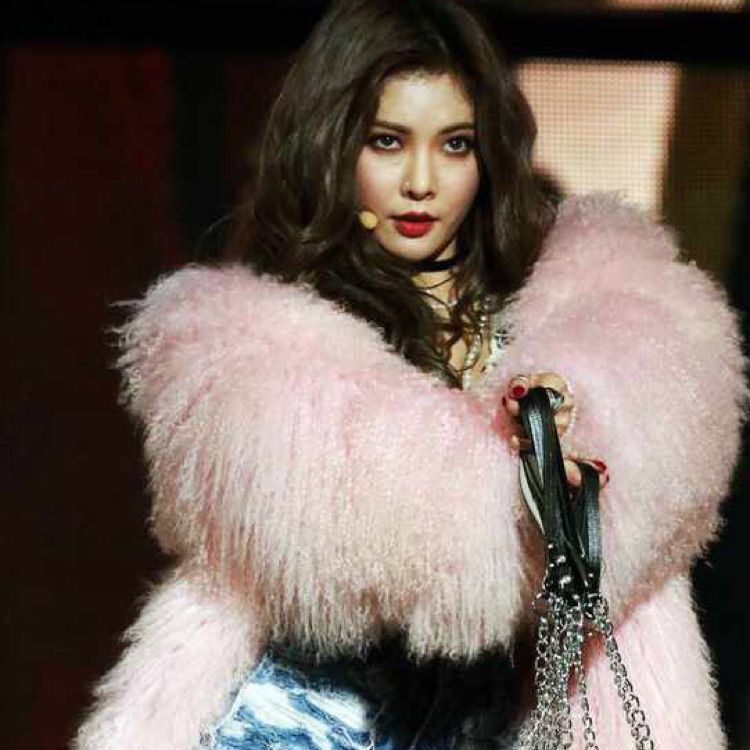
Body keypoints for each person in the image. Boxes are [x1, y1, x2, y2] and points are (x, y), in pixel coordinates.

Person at [73, 0, 748, 748]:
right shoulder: (260, 347)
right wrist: (500, 477)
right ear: (333, 147)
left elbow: (640, 526)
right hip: (299, 721)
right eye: (388, 142)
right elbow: (372, 541)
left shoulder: (580, 319)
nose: (422, 182)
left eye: (454, 144)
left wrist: (575, 436)